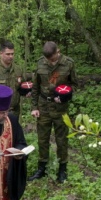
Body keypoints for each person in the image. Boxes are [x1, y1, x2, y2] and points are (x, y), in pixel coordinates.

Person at [29, 41, 78, 183]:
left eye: (53, 59)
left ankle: (62, 170)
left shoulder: (68, 64)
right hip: (43, 106)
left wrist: (65, 96)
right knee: (42, 138)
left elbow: (75, 84)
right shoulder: (40, 64)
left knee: (61, 139)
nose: (50, 62)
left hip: (60, 109)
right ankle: (41, 168)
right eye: (48, 60)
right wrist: (34, 107)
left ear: (58, 51)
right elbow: (35, 88)